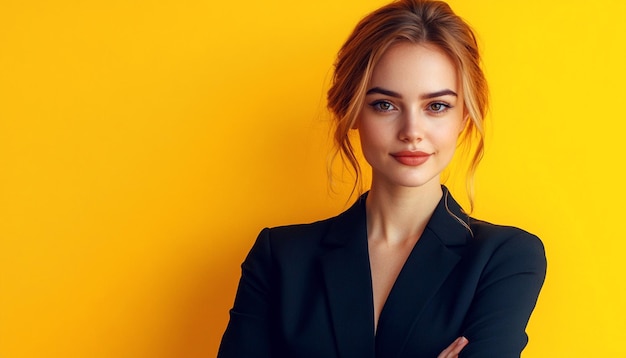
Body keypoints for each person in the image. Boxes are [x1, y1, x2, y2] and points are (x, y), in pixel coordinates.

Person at [218, 0, 547, 357]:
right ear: (352, 110)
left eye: (436, 106)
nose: (411, 131)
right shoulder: (280, 258)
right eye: (385, 105)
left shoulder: (503, 259)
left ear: (464, 116)